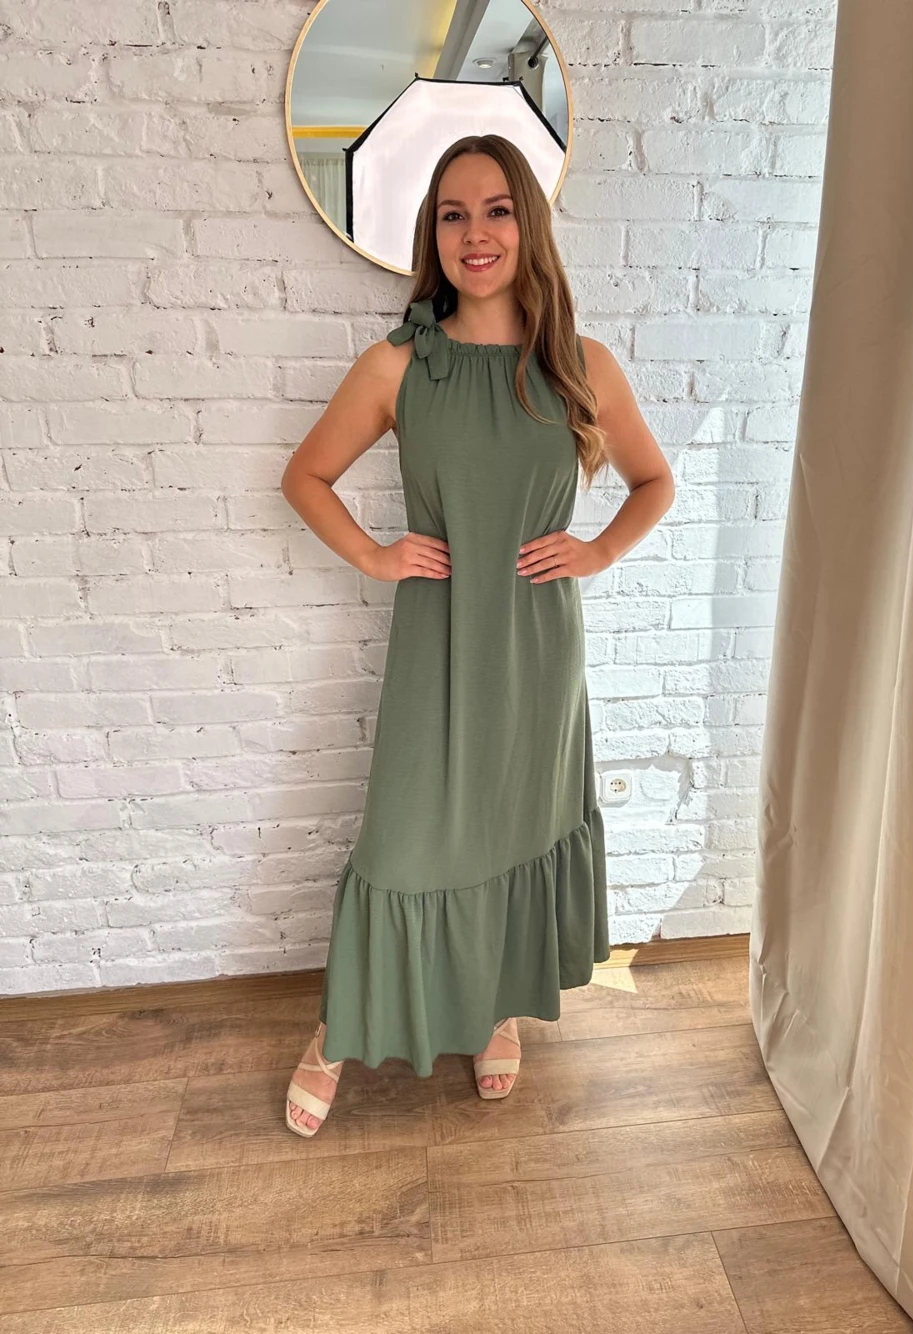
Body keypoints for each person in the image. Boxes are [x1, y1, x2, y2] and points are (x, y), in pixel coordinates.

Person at [280, 134, 674, 1135]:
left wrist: (598, 550)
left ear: (527, 223)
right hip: (438, 643)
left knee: (515, 828)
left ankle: (499, 1005)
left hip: (539, 652)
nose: (475, 232)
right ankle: (336, 1030)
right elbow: (305, 476)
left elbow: (653, 481)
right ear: (434, 235)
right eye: (452, 214)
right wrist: (376, 556)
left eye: (496, 208)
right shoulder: (399, 364)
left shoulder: (580, 365)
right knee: (402, 841)